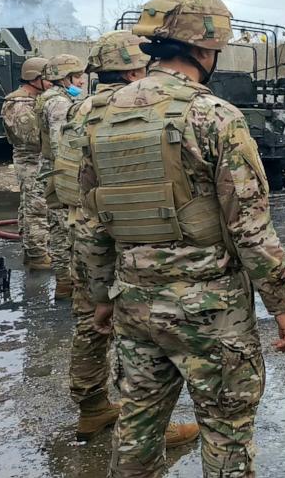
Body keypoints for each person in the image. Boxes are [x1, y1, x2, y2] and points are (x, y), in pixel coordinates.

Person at [80, 0, 285, 477]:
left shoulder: (100, 116)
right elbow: (249, 226)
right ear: (204, 50)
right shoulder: (215, 116)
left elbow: (91, 219)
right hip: (209, 310)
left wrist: (100, 295)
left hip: (134, 302)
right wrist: (280, 304)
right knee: (225, 431)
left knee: (137, 427)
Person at [51, 30, 199, 446]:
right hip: (124, 234)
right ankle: (145, 425)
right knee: (134, 332)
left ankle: (92, 406)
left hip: (81, 228)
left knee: (90, 322)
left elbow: (63, 175)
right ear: (135, 68)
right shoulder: (133, 110)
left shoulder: (78, 109)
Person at [37, 53, 88, 298]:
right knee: (64, 231)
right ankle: (67, 284)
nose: (82, 81)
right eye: (77, 76)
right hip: (61, 174)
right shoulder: (59, 103)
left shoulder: (49, 98)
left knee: (60, 231)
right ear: (64, 78)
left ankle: (65, 283)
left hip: (53, 171)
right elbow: (61, 144)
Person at [1, 57, 52, 269]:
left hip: (37, 161)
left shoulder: (35, 99)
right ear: (34, 78)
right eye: (47, 78)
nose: (51, 82)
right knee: (36, 208)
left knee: (32, 205)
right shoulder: (18, 103)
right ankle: (38, 255)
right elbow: (31, 136)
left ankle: (33, 249)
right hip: (30, 161)